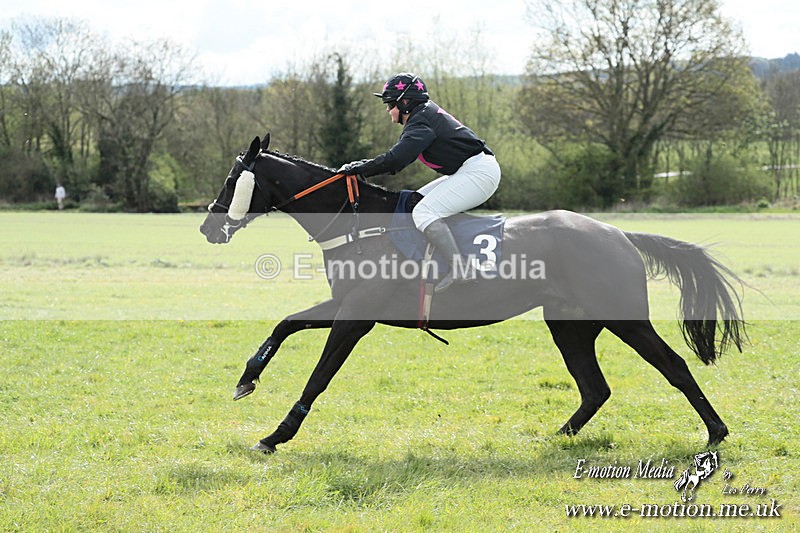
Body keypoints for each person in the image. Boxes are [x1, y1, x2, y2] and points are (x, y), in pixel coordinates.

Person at [338, 73, 501, 291]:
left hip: (479, 172)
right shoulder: (423, 114)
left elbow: (396, 160)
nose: (388, 110)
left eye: (390, 104)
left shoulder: (421, 121)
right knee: (414, 203)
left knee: (424, 212)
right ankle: (425, 264)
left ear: (405, 102)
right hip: (470, 170)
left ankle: (460, 268)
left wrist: (358, 167)